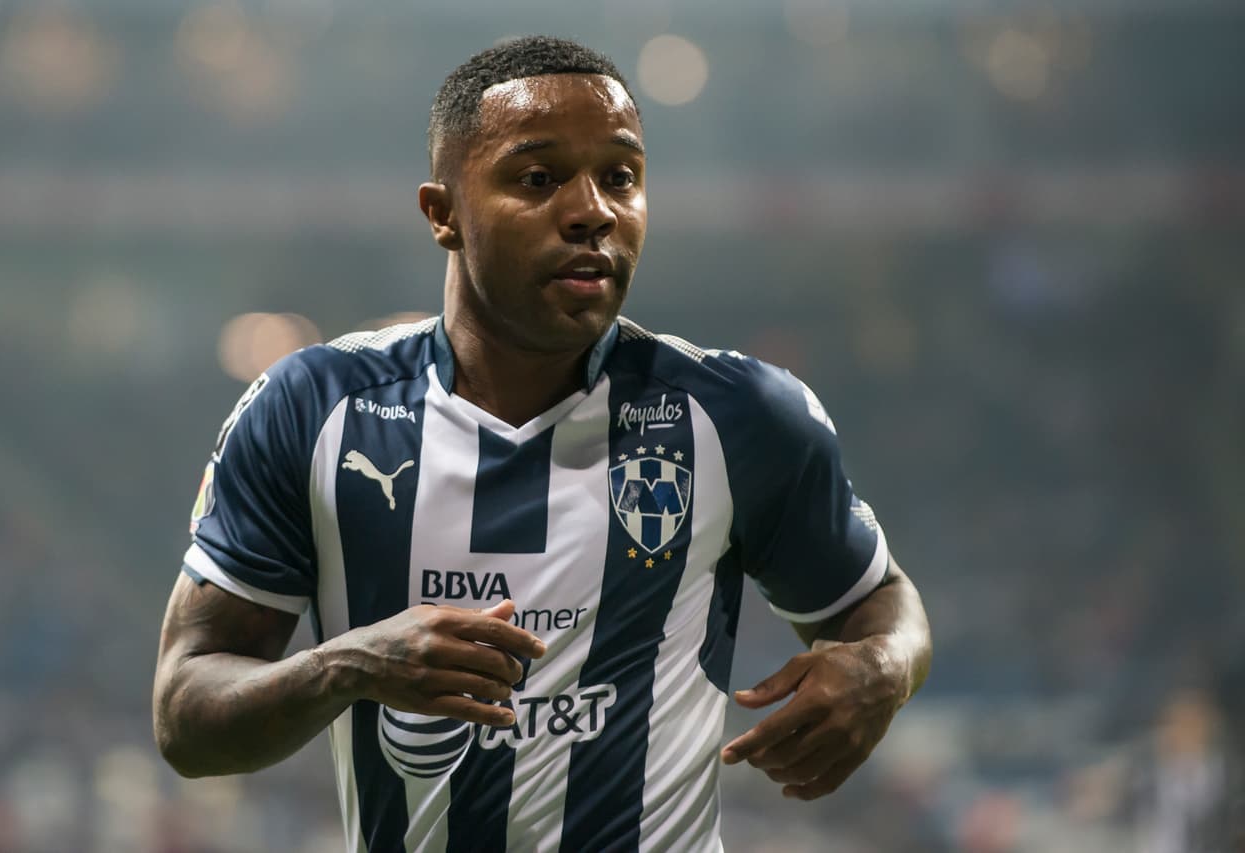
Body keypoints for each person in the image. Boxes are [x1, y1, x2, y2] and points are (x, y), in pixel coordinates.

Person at [153, 35, 931, 852]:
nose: (592, 208)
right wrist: (352, 664)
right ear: (442, 213)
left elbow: (879, 604)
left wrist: (883, 666)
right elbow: (185, 717)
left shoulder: (738, 415)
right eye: (538, 177)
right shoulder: (311, 409)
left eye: (621, 177)